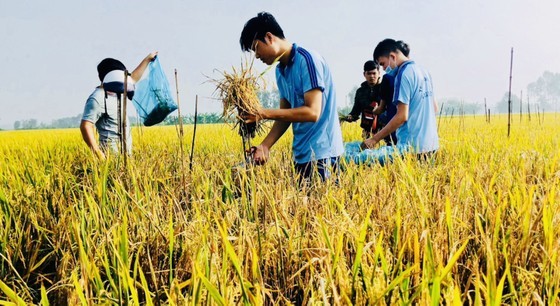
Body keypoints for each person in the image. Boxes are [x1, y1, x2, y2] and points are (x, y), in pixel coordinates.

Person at [239, 12, 344, 182]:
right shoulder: (281, 71)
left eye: (256, 48)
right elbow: (285, 115)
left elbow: (312, 112)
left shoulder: (308, 60)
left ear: (269, 37)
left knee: (320, 206)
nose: (257, 56)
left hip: (323, 154)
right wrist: (265, 146)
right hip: (301, 154)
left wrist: (263, 113)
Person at [345, 39, 439, 165]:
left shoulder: (403, 74)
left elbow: (401, 116)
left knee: (362, 162)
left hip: (411, 147)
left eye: (383, 64)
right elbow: (434, 108)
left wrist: (374, 139)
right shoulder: (425, 72)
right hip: (431, 145)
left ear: (392, 56)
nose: (384, 69)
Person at [80, 52, 157, 159]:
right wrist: (98, 153)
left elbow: (133, 78)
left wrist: (147, 59)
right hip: (110, 156)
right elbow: (86, 126)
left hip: (126, 154)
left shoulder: (119, 91)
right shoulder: (97, 98)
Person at [342, 60, 382, 140]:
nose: (372, 76)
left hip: (383, 131)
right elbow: (356, 111)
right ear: (364, 74)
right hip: (367, 132)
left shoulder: (384, 88)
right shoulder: (360, 91)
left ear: (379, 73)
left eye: (374, 73)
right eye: (369, 73)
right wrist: (350, 116)